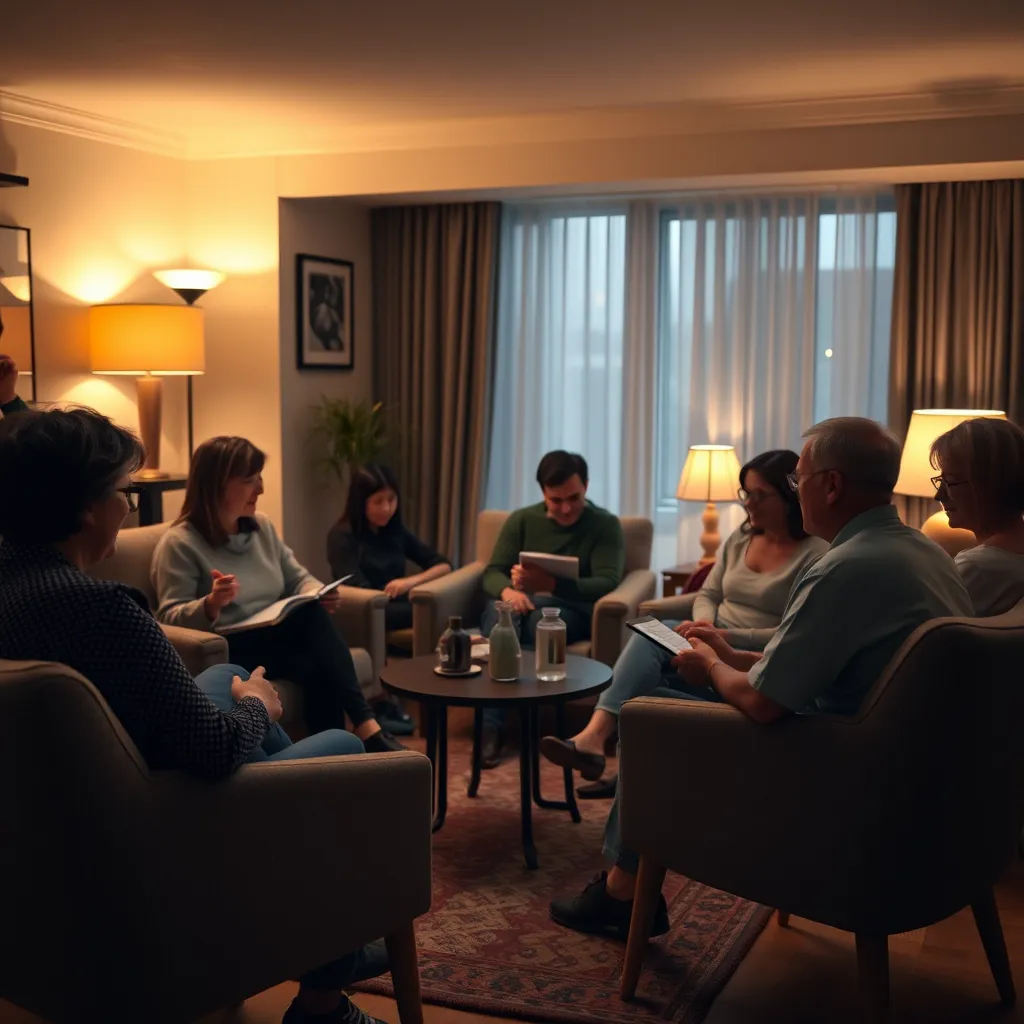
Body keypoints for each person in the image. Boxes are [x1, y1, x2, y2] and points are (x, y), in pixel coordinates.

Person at [0, 408, 392, 1024]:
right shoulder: (103, 610)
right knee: (339, 746)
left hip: (65, 819)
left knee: (226, 674)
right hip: (159, 821)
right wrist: (260, 711)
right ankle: (323, 995)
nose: (129, 509)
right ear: (83, 508)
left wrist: (243, 696)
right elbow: (209, 748)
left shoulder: (13, 585)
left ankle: (327, 937)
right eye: (123, 493)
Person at [549, 417, 972, 941]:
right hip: (897, 763)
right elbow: (817, 665)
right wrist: (733, 652)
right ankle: (624, 879)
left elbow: (765, 703)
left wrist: (711, 666)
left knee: (648, 718)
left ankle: (621, 892)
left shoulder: (843, 567)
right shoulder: (924, 551)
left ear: (832, 485)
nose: (796, 492)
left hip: (842, 771)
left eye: (799, 479)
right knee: (656, 698)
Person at [540, 449, 827, 783]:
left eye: (760, 495)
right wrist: (706, 624)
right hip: (710, 637)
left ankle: (617, 768)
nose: (748, 503)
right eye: (746, 493)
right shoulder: (741, 538)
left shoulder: (815, 555)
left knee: (648, 685)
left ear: (789, 496)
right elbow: (709, 593)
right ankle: (596, 737)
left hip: (748, 657)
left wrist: (725, 638)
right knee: (651, 631)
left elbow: (790, 632)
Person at [152, 436, 404, 755]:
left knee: (318, 664)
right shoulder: (180, 543)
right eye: (249, 480)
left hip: (274, 638)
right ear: (216, 485)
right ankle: (366, 725)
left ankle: (337, 760)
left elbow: (297, 577)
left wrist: (317, 592)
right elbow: (167, 620)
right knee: (311, 623)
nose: (260, 489)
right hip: (228, 649)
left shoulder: (262, 528)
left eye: (259, 477)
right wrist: (211, 604)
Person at [479, 450, 625, 768]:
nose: (566, 508)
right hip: (519, 605)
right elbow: (491, 571)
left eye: (573, 497)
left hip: (570, 610)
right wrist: (508, 591)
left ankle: (491, 725)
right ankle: (501, 724)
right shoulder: (522, 519)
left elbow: (607, 581)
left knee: (526, 622)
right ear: (543, 491)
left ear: (586, 485)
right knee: (503, 612)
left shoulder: (604, 524)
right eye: (555, 500)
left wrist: (551, 583)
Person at [328, 463, 452, 733]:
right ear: (361, 502)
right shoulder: (342, 536)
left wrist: (410, 582)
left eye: (391, 499)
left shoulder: (394, 530)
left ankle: (431, 694)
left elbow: (442, 564)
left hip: (395, 605)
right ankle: (385, 701)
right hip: (360, 609)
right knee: (431, 613)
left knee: (433, 608)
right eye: (379, 501)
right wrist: (386, 596)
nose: (387, 508)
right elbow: (354, 586)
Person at [930, 416, 1024, 616]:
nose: (939, 495)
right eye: (940, 481)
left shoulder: (977, 569)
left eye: (951, 482)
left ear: (991, 485)